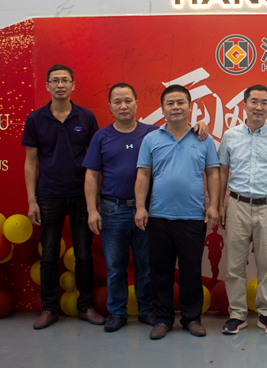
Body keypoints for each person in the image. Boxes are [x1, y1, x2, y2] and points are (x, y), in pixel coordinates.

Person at [83, 83, 209, 333]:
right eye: (117, 102)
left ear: (137, 104)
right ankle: (117, 312)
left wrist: (200, 125)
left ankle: (147, 311)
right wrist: (92, 210)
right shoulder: (102, 136)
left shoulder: (151, 132)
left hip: (149, 211)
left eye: (128, 100)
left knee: (147, 266)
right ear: (110, 106)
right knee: (115, 266)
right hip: (114, 210)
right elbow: (92, 174)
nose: (123, 106)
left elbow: (178, 129)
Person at [134, 85, 220, 340]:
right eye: (170, 103)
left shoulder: (204, 138)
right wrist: (140, 207)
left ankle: (192, 318)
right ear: (162, 109)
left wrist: (213, 205)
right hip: (159, 216)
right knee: (160, 271)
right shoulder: (152, 139)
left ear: (190, 107)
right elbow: (143, 174)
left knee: (191, 270)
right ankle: (162, 319)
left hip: (193, 216)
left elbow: (213, 173)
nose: (175, 107)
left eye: (181, 102)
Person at [22, 64, 104, 330]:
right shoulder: (35, 119)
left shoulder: (86, 117)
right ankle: (49, 308)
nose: (60, 85)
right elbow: (30, 162)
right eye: (55, 80)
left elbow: (97, 161)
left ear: (73, 85)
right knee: (48, 255)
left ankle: (86, 307)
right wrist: (31, 200)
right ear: (47, 86)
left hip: (81, 196)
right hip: (48, 196)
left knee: (84, 255)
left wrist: (95, 200)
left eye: (65, 80)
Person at [217, 84, 267, 335]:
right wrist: (220, 205)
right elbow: (223, 172)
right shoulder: (230, 136)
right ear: (244, 105)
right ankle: (237, 314)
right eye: (254, 101)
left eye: (264, 103)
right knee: (235, 266)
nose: (259, 107)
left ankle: (266, 313)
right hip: (237, 205)